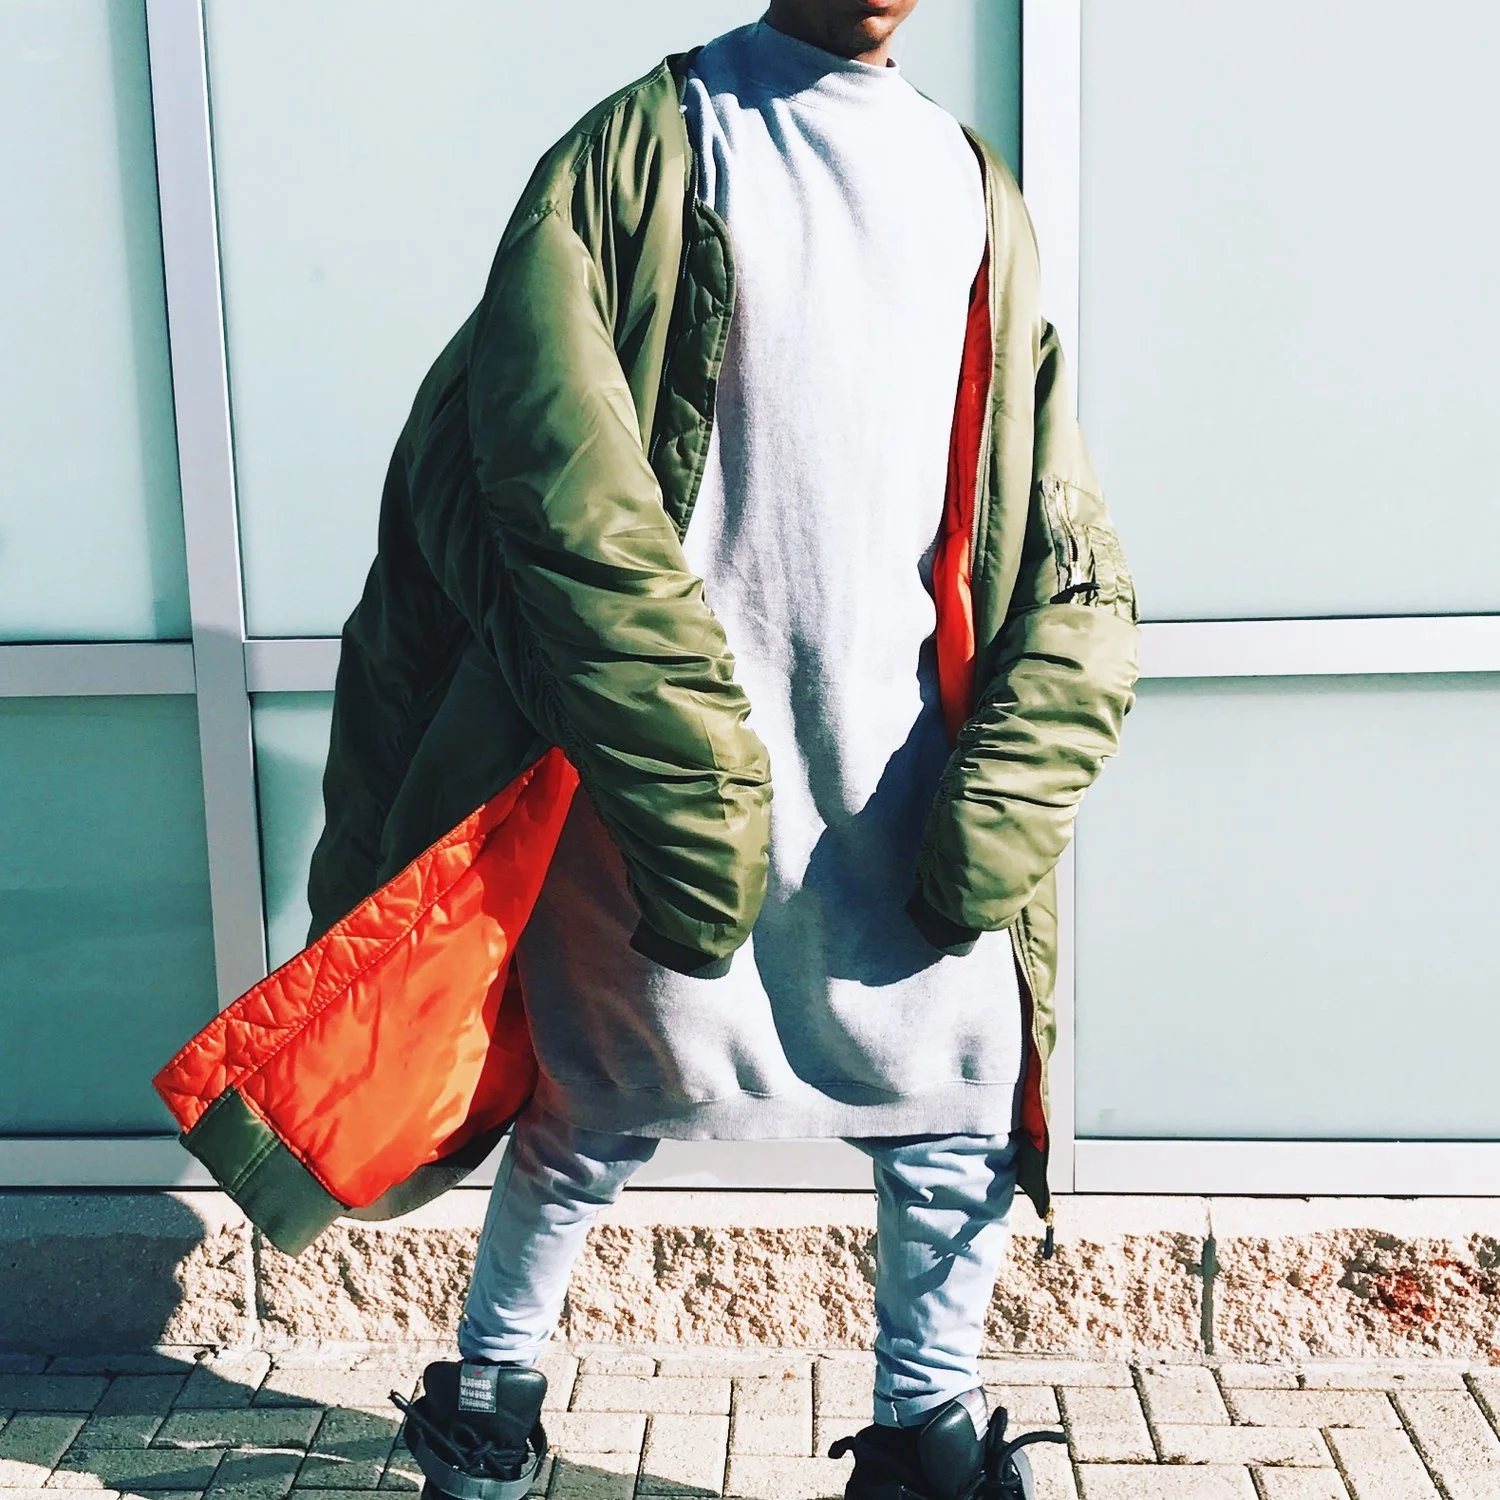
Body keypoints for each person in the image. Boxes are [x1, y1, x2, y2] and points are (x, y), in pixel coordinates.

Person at [329, 3, 1138, 1498]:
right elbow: (537, 473)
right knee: (592, 1104)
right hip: (666, 755)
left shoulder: (973, 180)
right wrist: (675, 757)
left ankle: (925, 1436)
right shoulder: (644, 147)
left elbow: (1046, 504)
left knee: (957, 1102)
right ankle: (488, 1404)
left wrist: (1023, 763)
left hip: (905, 763)